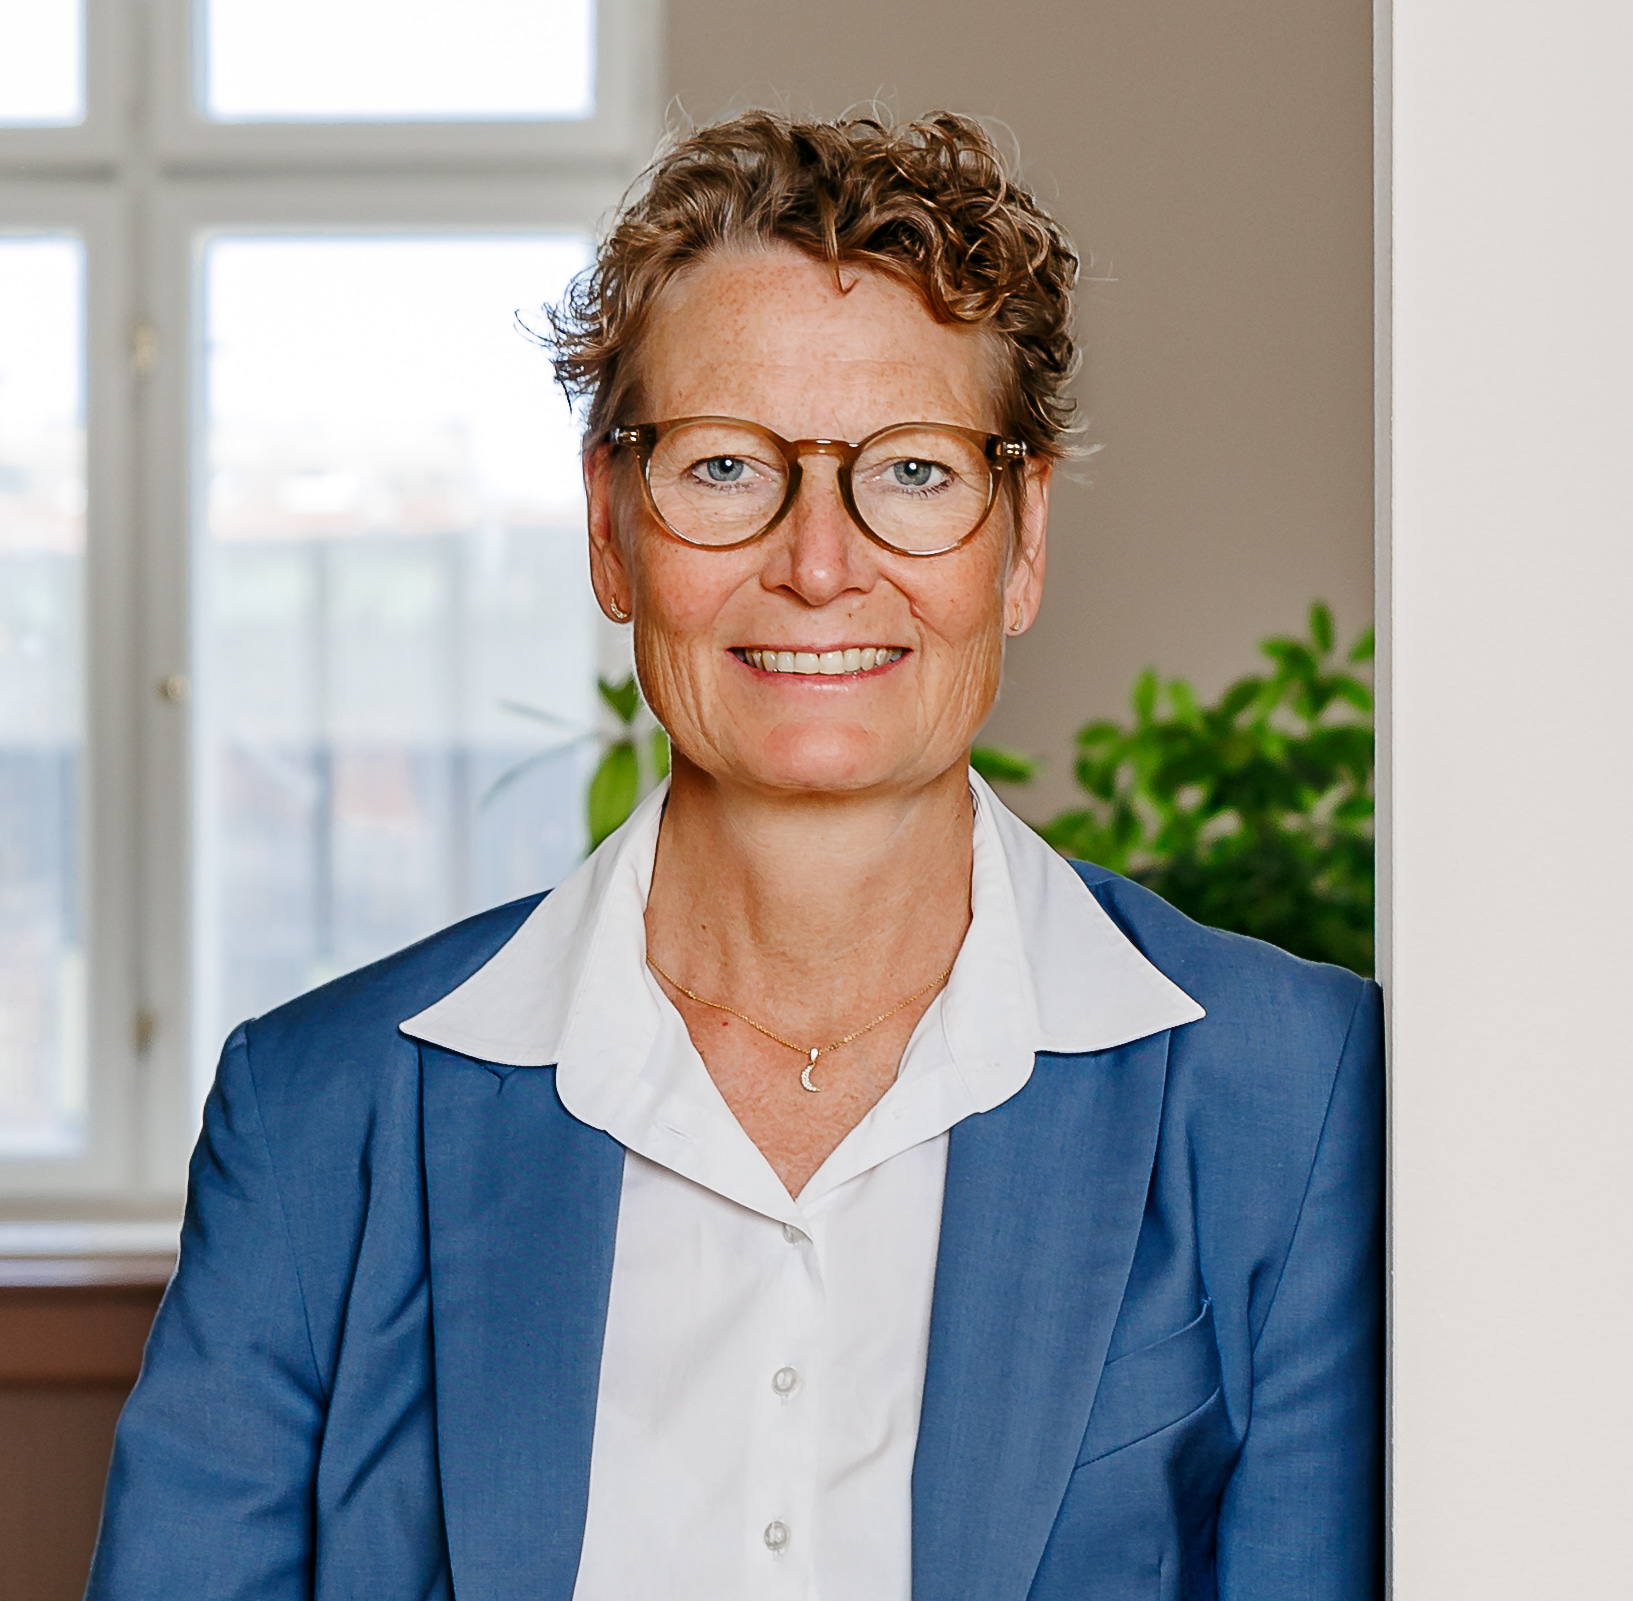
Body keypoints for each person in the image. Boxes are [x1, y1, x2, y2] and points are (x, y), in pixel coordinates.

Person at [87, 112, 1381, 1601]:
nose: (818, 564)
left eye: (912, 472)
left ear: (1021, 537)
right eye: (721, 468)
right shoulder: (318, 1117)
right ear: (609, 526)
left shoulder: (1294, 1094)